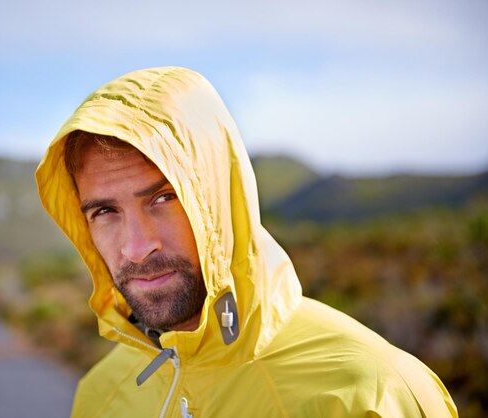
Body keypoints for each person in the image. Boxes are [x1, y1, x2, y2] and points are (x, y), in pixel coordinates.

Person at [36, 67, 458, 417]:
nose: (135, 246)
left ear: (218, 198)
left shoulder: (373, 395)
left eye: (166, 198)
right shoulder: (99, 397)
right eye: (105, 212)